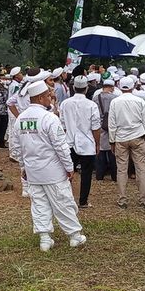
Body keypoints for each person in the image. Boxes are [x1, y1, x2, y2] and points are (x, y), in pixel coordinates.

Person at [11, 80, 87, 252]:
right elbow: (61, 146)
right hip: (53, 171)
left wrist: (23, 168)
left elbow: (16, 148)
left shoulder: (20, 119)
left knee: (39, 204)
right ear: (39, 98)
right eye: (48, 96)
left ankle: (45, 240)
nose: (50, 98)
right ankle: (74, 236)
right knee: (63, 202)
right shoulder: (49, 118)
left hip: (33, 172)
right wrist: (69, 167)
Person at [108, 76, 145, 209]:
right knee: (141, 169)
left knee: (121, 170)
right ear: (133, 86)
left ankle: (122, 199)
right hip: (138, 137)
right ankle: (143, 199)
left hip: (121, 139)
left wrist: (112, 141)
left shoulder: (115, 102)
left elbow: (112, 124)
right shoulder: (140, 101)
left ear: (120, 86)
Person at [59, 75, 101, 208]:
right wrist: (97, 143)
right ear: (86, 88)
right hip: (87, 144)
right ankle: (83, 201)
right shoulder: (91, 105)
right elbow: (95, 127)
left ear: (73, 87)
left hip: (69, 142)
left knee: (67, 172)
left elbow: (63, 125)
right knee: (86, 174)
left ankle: (66, 200)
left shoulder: (65, 104)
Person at [94, 79, 117, 182]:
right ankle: (114, 176)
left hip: (99, 126)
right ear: (112, 87)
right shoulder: (115, 98)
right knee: (112, 151)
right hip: (111, 126)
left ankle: (99, 175)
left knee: (100, 151)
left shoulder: (95, 98)